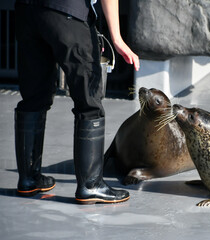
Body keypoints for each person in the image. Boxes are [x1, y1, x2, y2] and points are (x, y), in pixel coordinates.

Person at [14, 0, 139, 204]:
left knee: (33, 98)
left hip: (27, 12)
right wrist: (116, 37)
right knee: (89, 102)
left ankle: (29, 178)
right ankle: (91, 185)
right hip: (68, 13)